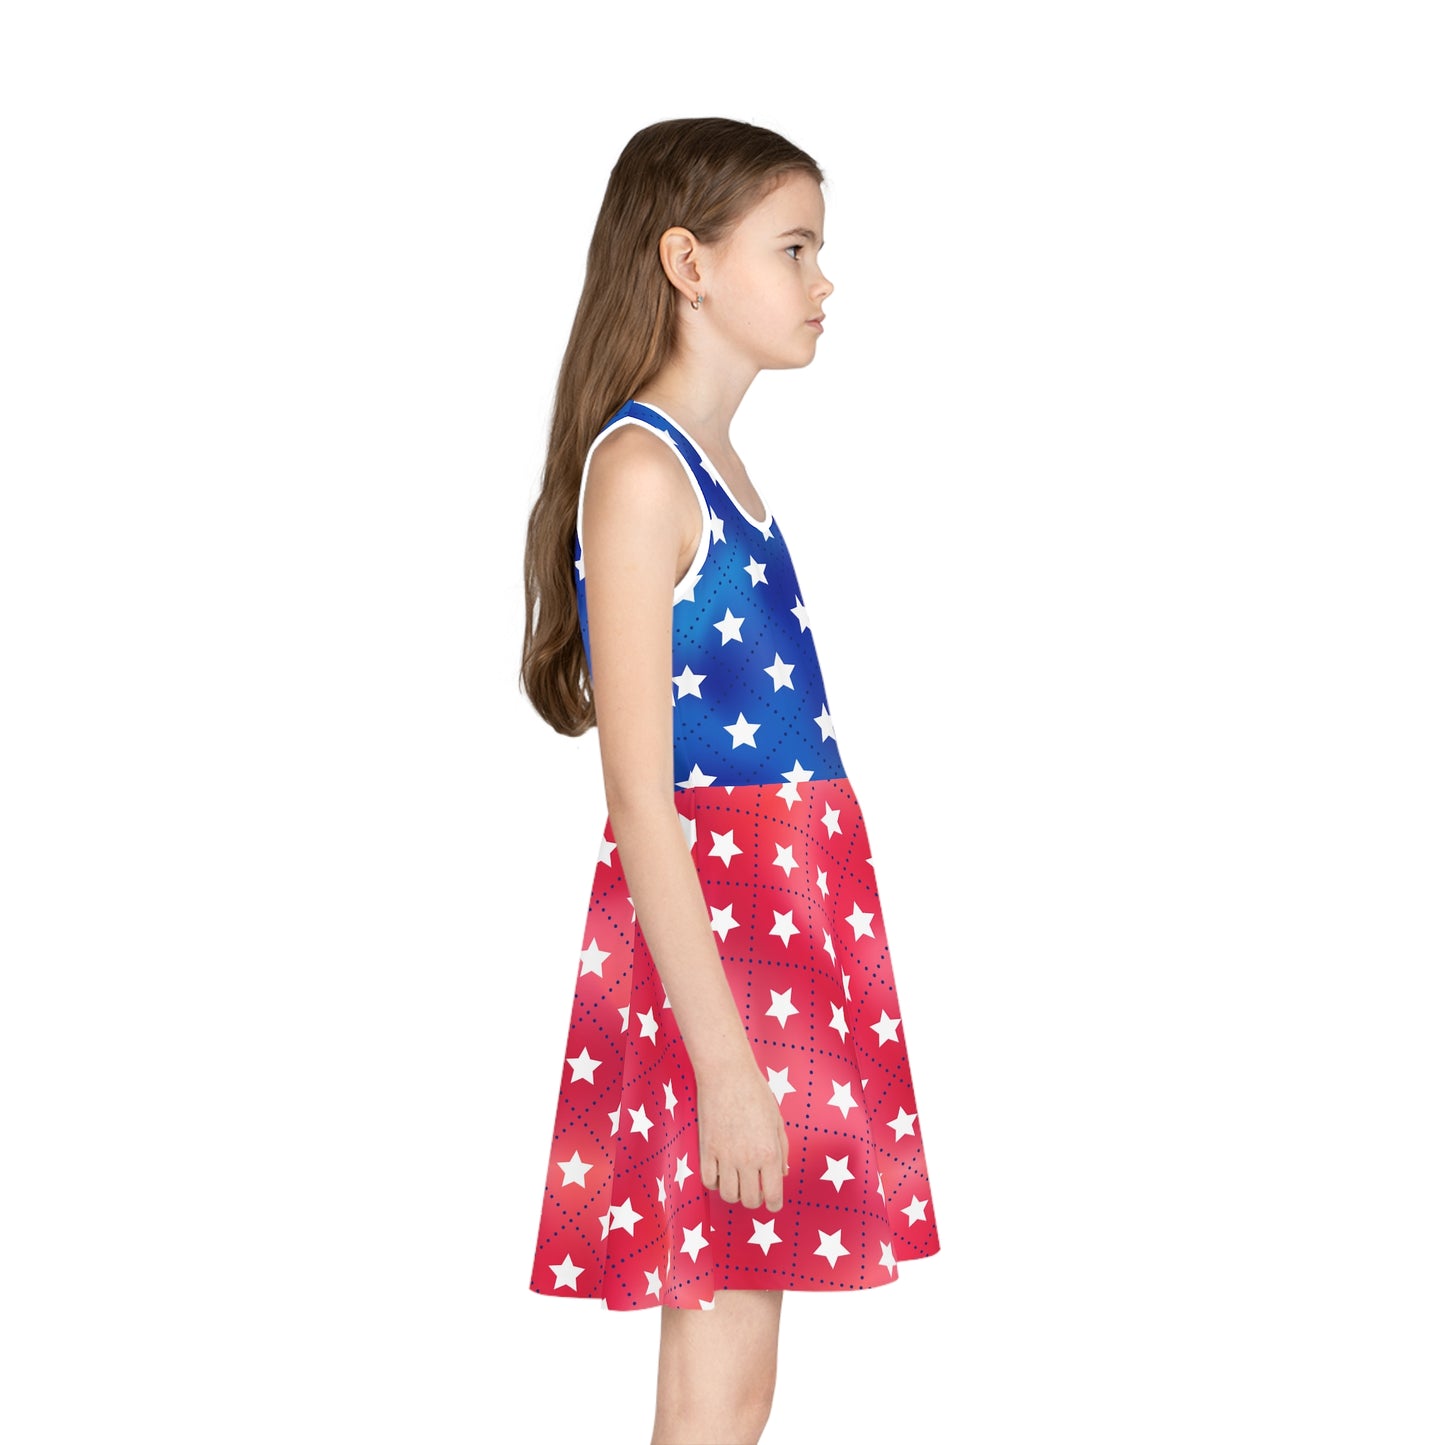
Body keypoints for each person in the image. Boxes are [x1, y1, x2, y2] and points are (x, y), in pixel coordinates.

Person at [519, 117, 940, 1445]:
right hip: (725, 959)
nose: (824, 281)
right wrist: (725, 1067)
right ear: (688, 264)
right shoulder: (644, 473)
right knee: (719, 1393)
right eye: (794, 248)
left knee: (731, 1387)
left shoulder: (717, 472)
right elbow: (641, 798)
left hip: (783, 934)